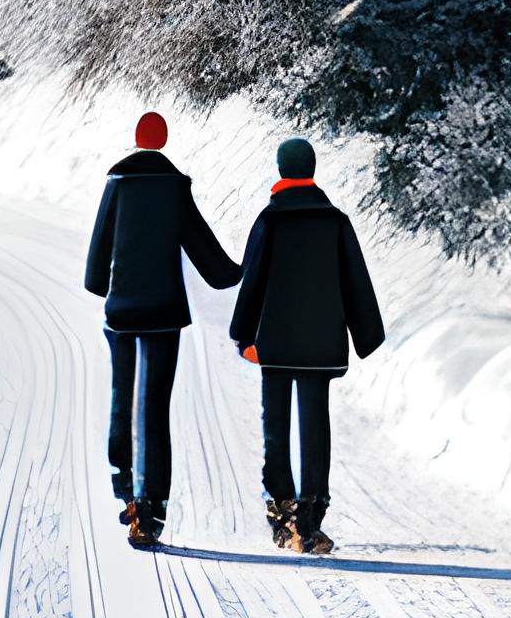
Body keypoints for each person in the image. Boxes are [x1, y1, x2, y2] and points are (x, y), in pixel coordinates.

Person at [84, 109, 240, 549]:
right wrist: (243, 271)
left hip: (123, 311)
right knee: (153, 409)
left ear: (136, 140)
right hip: (164, 313)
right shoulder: (175, 188)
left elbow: (96, 267)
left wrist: (106, 286)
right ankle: (151, 511)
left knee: (121, 398)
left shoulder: (116, 184)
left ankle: (124, 486)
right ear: (164, 140)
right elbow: (205, 252)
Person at [230, 134, 385, 555]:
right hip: (320, 346)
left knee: (275, 427)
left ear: (282, 171)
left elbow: (253, 282)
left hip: (276, 346)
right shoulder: (335, 221)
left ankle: (282, 511)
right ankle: (311, 518)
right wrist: (366, 334)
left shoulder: (270, 220)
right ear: (311, 170)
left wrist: (243, 335)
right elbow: (356, 281)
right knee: (316, 427)